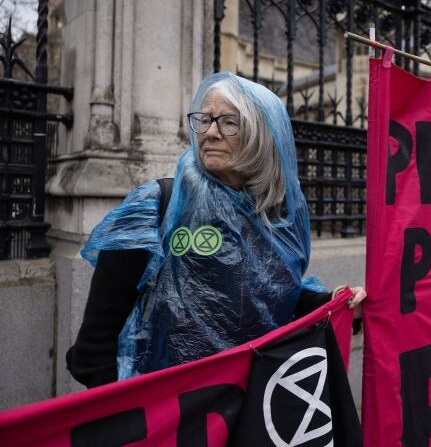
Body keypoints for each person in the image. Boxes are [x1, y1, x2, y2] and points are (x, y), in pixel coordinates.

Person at [67, 71, 366, 387]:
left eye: (228, 122)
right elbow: (95, 346)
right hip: (170, 411)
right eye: (204, 119)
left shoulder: (276, 216)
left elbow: (275, 295)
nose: (209, 132)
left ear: (261, 134)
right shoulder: (158, 205)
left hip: (248, 408)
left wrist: (338, 303)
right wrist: (130, 416)